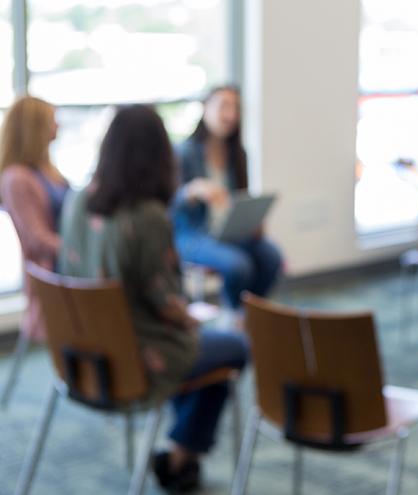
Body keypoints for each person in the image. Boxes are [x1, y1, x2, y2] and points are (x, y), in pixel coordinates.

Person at [58, 105, 248, 493]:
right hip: (136, 357)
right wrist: (192, 319)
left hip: (80, 353)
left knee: (205, 356)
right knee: (234, 346)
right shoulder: (147, 217)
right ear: (159, 155)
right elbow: (167, 305)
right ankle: (181, 453)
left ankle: (181, 456)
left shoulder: (77, 200)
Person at [172, 85, 282, 310]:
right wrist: (191, 190)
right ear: (205, 108)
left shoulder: (238, 154)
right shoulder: (184, 153)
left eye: (235, 108)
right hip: (192, 235)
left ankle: (252, 314)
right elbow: (168, 206)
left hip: (228, 232)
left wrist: (252, 223)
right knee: (238, 265)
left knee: (271, 256)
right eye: (224, 106)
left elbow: (239, 200)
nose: (230, 115)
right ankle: (235, 316)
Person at [0, 95, 69, 342]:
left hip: (67, 263)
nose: (58, 126)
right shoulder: (16, 178)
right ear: (35, 127)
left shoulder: (47, 169)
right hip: (53, 273)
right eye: (52, 121)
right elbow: (37, 239)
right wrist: (79, 248)